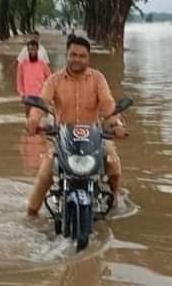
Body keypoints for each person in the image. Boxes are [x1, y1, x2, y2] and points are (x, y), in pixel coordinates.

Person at [26, 35, 127, 216]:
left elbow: (108, 104)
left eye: (82, 56)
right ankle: (31, 215)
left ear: (88, 58)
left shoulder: (98, 79)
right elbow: (41, 103)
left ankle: (115, 197)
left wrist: (117, 124)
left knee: (113, 162)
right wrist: (34, 120)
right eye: (73, 55)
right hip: (62, 137)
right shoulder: (54, 80)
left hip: (94, 137)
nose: (77, 59)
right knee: (44, 174)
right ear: (67, 55)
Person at [17, 39, 51, 116]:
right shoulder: (22, 64)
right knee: (29, 120)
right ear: (27, 50)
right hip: (28, 96)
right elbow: (19, 80)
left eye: (34, 49)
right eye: (30, 49)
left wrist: (49, 93)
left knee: (45, 119)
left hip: (42, 96)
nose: (32, 52)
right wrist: (21, 93)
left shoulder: (42, 63)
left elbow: (50, 78)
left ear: (37, 50)